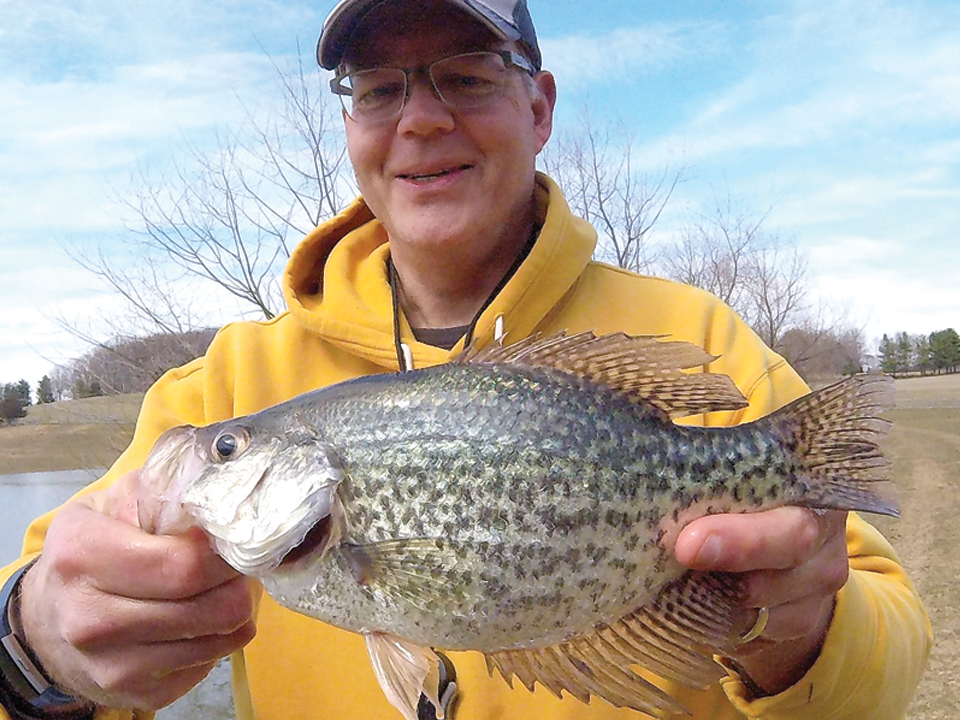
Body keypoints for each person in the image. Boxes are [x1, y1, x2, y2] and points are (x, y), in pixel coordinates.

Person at [0, 0, 932, 719]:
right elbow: (51, 635)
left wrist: (801, 634)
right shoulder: (224, 384)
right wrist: (39, 644)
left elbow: (889, 673)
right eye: (379, 88)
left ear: (540, 105)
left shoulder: (706, 343)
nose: (420, 119)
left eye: (467, 77)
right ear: (350, 122)